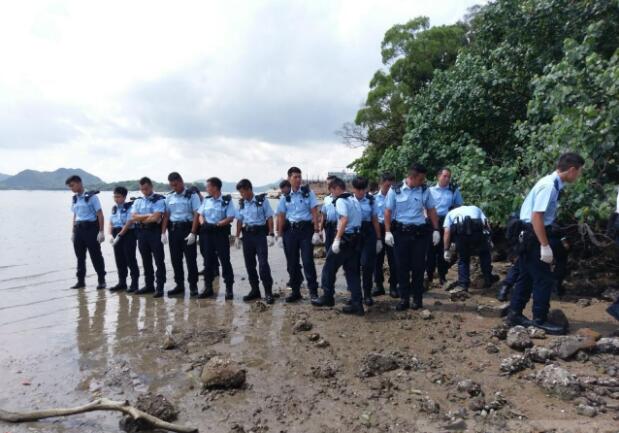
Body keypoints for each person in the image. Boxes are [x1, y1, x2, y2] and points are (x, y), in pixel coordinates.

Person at [506, 152, 585, 335]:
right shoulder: (549, 186)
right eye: (579, 172)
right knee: (544, 278)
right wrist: (544, 245)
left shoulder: (553, 184)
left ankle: (514, 314)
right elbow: (537, 216)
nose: (578, 175)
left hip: (530, 234)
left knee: (525, 277)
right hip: (534, 235)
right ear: (572, 170)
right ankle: (539, 319)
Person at [384, 163, 440, 311]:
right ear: (412, 177)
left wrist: (436, 229)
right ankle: (404, 299)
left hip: (419, 234)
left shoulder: (424, 190)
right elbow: (388, 212)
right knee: (401, 267)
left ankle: (417, 299)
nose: (423, 181)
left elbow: (431, 209)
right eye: (421, 179)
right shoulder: (395, 190)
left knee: (418, 267)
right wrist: (387, 232)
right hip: (400, 234)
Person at [312, 177, 364, 315]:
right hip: (355, 239)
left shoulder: (341, 200)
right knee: (352, 273)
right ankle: (357, 304)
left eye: (331, 190)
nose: (331, 194)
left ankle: (328, 297)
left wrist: (337, 239)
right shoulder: (354, 199)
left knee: (329, 267)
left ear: (336, 188)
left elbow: (343, 219)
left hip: (344, 240)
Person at [276, 167, 321, 302]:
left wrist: (317, 231)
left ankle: (313, 291)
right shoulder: (285, 197)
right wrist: (279, 235)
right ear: (289, 178)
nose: (298, 179)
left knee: (307, 261)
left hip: (306, 230)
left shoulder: (308, 193)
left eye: (299, 177)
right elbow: (281, 216)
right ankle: (296, 292)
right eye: (295, 177)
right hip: (290, 231)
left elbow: (314, 212)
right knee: (292, 262)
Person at [235, 179, 276, 304]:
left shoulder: (261, 201)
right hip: (247, 236)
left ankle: (268, 292)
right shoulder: (242, 203)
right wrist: (237, 236)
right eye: (240, 193)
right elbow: (239, 220)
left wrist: (271, 234)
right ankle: (255, 290)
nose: (241, 195)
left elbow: (269, 217)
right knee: (249, 265)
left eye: (242, 192)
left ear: (249, 189)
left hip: (260, 235)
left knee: (263, 264)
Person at [162, 172, 201, 297]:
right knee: (175, 260)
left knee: (191, 260)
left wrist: (193, 232)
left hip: (187, 230)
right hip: (173, 231)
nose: (174, 187)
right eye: (172, 186)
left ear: (181, 181)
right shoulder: (169, 197)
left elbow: (197, 214)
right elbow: (167, 215)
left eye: (176, 185)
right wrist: (163, 232)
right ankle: (179, 285)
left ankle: (193, 286)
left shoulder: (192, 196)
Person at [442, 205, 499, 291]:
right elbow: (486, 223)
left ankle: (463, 284)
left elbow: (447, 232)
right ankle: (488, 279)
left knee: (463, 259)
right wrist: (489, 239)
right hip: (477, 233)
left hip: (461, 234)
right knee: (484, 254)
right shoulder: (475, 208)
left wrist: (446, 249)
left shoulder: (450, 213)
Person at [198, 177, 236, 300]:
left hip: (220, 233)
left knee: (225, 261)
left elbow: (230, 217)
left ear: (215, 187)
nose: (206, 189)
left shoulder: (226, 200)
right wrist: (203, 223)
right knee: (207, 261)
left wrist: (217, 224)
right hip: (207, 233)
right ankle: (208, 288)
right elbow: (200, 214)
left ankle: (229, 289)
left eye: (208, 186)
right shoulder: (206, 200)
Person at [66, 175, 106, 289]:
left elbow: (100, 214)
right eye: (70, 187)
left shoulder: (92, 197)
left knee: (96, 255)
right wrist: (73, 231)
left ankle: (101, 280)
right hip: (79, 230)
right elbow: (75, 215)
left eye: (72, 185)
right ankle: (80, 281)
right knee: (80, 257)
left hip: (91, 229)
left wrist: (101, 231)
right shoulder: (74, 198)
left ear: (79, 183)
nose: (71, 188)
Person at [131, 177, 167, 297]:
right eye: (142, 189)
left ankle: (160, 287)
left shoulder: (159, 200)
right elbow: (133, 217)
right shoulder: (138, 201)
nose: (144, 191)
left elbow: (156, 218)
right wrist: (148, 216)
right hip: (141, 233)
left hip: (154, 232)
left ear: (151, 187)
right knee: (145, 260)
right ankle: (149, 285)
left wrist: (142, 218)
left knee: (158, 260)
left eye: (146, 189)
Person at [427, 168, 463, 287]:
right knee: (430, 250)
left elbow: (458, 206)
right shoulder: (430, 190)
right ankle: (430, 276)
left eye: (449, 177)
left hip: (447, 221)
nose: (447, 179)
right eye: (445, 176)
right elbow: (423, 206)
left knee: (444, 249)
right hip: (431, 221)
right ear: (438, 176)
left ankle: (442, 276)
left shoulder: (453, 190)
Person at [352, 176, 383, 306]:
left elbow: (375, 220)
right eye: (357, 189)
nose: (360, 192)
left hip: (368, 234)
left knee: (367, 265)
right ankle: (355, 294)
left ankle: (367, 294)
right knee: (352, 267)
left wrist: (379, 239)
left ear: (366, 189)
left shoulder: (371, 201)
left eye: (362, 189)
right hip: (353, 235)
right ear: (353, 188)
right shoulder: (347, 200)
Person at [108, 187, 139, 292]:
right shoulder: (114, 208)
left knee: (130, 259)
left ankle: (134, 283)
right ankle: (122, 283)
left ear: (124, 197)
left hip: (127, 234)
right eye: (114, 196)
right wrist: (110, 234)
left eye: (118, 197)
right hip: (116, 233)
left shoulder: (130, 207)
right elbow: (111, 222)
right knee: (119, 260)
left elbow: (129, 222)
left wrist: (120, 235)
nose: (116, 199)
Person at [373, 172, 398, 298]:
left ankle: (393, 286)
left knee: (394, 259)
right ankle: (378, 285)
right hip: (378, 230)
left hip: (393, 229)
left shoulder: (397, 196)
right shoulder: (373, 198)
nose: (390, 189)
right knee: (377, 260)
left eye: (392, 186)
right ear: (380, 184)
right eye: (387, 186)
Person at [320, 175, 339, 253]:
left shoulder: (343, 198)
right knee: (328, 248)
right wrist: (320, 230)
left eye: (330, 184)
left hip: (339, 227)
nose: (328, 186)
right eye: (327, 184)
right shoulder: (327, 199)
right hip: (329, 227)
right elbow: (324, 215)